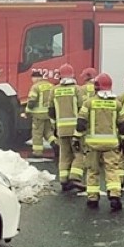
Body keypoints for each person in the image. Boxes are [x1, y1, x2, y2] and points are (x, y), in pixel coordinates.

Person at [77, 72, 124, 211]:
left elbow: (80, 123)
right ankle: (115, 195)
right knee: (112, 170)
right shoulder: (117, 104)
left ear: (96, 87)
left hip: (92, 145)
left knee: (93, 171)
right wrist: (122, 140)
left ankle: (92, 199)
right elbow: (123, 126)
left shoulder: (89, 103)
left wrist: (77, 138)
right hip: (111, 145)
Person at [49, 63, 86, 192]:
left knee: (64, 155)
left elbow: (51, 111)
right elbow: (82, 109)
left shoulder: (54, 90)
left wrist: (55, 126)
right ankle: (75, 178)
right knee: (79, 154)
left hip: (61, 129)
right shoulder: (78, 89)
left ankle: (64, 181)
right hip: (76, 129)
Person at [22, 69, 56, 158]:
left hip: (38, 115)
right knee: (48, 132)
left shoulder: (35, 87)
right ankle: (56, 144)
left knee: (37, 133)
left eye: (32, 78)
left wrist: (27, 112)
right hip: (49, 114)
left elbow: (32, 102)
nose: (32, 80)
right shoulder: (51, 86)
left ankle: (37, 153)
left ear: (36, 78)